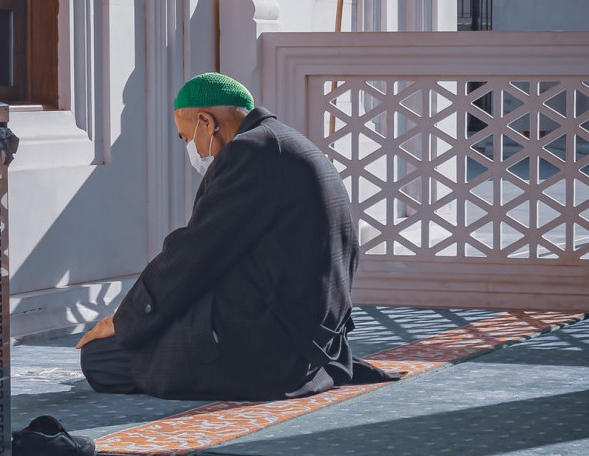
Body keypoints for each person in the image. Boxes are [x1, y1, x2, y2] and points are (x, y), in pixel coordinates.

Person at [77, 72, 402, 400]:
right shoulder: (285, 142)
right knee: (146, 335)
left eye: (185, 137)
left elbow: (195, 255)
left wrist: (126, 319)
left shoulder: (250, 153)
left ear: (206, 122)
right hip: (314, 340)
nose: (189, 148)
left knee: (100, 357)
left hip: (271, 347)